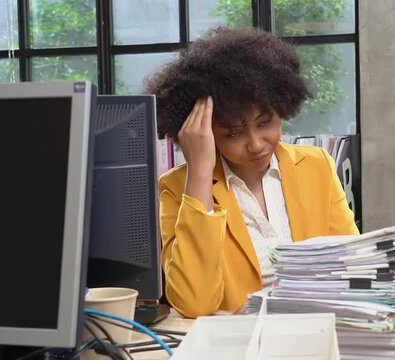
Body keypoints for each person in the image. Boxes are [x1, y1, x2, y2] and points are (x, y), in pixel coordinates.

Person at [144, 27, 358, 318]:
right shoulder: (178, 186)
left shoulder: (316, 165)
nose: (256, 144)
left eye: (265, 122)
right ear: (206, 132)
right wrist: (200, 171)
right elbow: (194, 303)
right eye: (234, 132)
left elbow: (352, 264)